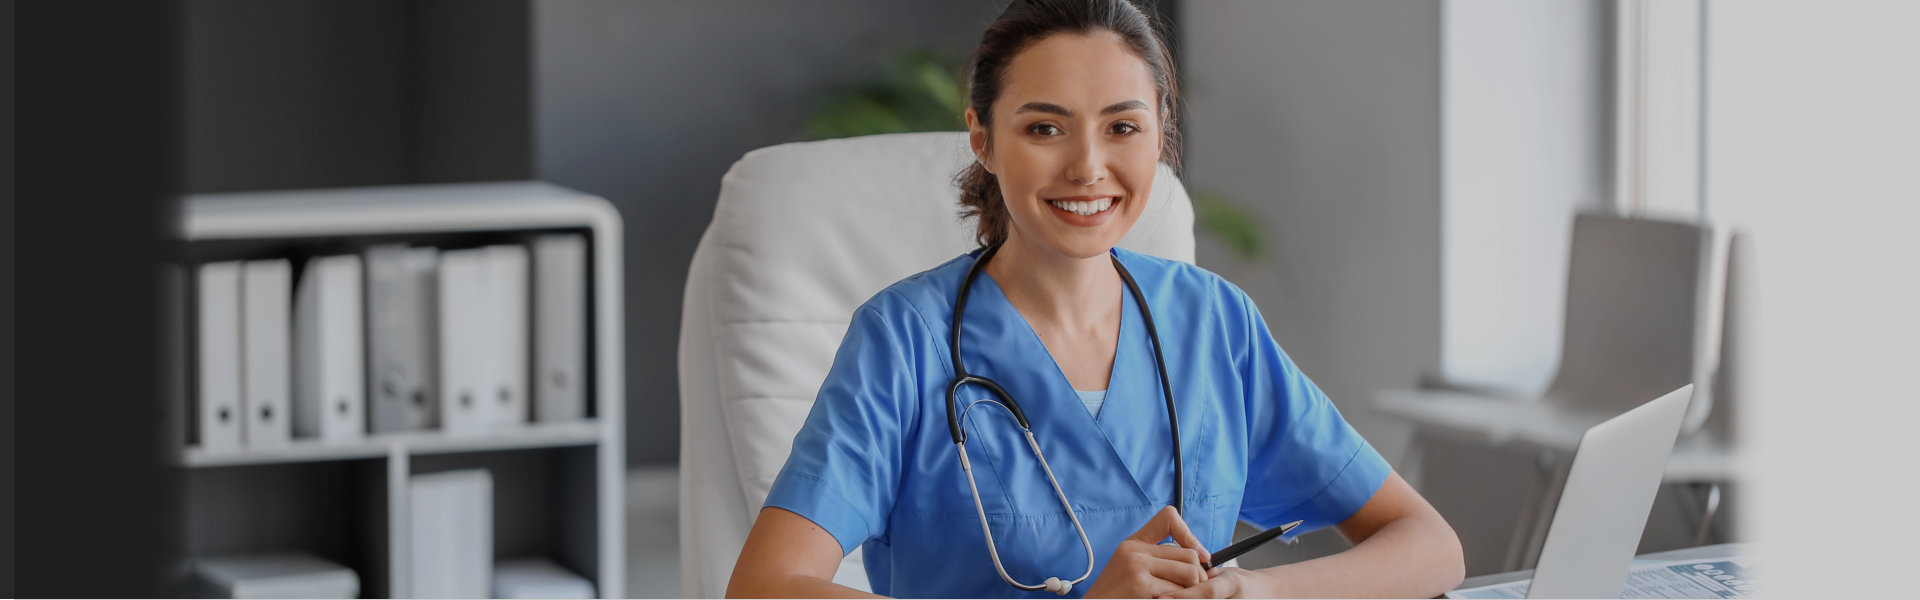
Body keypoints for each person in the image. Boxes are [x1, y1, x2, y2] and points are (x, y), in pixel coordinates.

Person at [727, 1, 1464, 597]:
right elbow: (765, 586)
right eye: (1044, 127)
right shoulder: (904, 338)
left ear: (1160, 138)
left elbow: (1429, 546)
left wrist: (1253, 594)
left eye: (1122, 128)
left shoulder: (1214, 324)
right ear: (982, 138)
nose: (1088, 167)